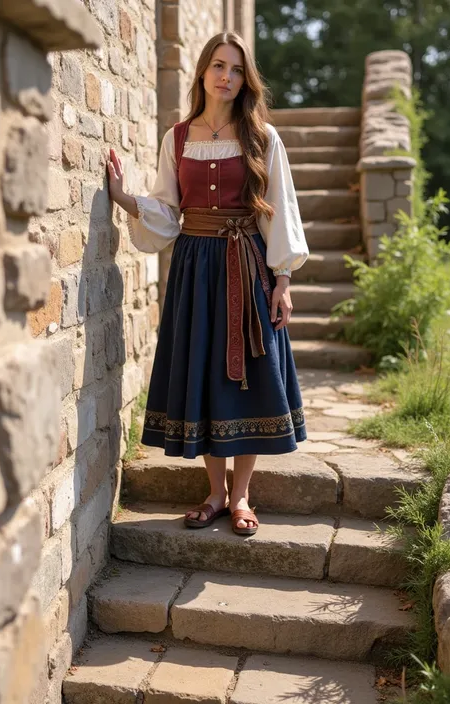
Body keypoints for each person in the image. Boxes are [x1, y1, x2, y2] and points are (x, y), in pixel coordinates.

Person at [107, 31, 309, 537]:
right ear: (202, 71)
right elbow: (168, 210)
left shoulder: (263, 136)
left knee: (252, 378)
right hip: (196, 270)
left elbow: (281, 209)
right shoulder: (177, 137)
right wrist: (123, 197)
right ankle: (215, 492)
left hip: (249, 264)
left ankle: (241, 495)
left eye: (237, 69)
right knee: (204, 373)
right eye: (219, 66)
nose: (227, 77)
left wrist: (282, 279)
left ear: (247, 79)